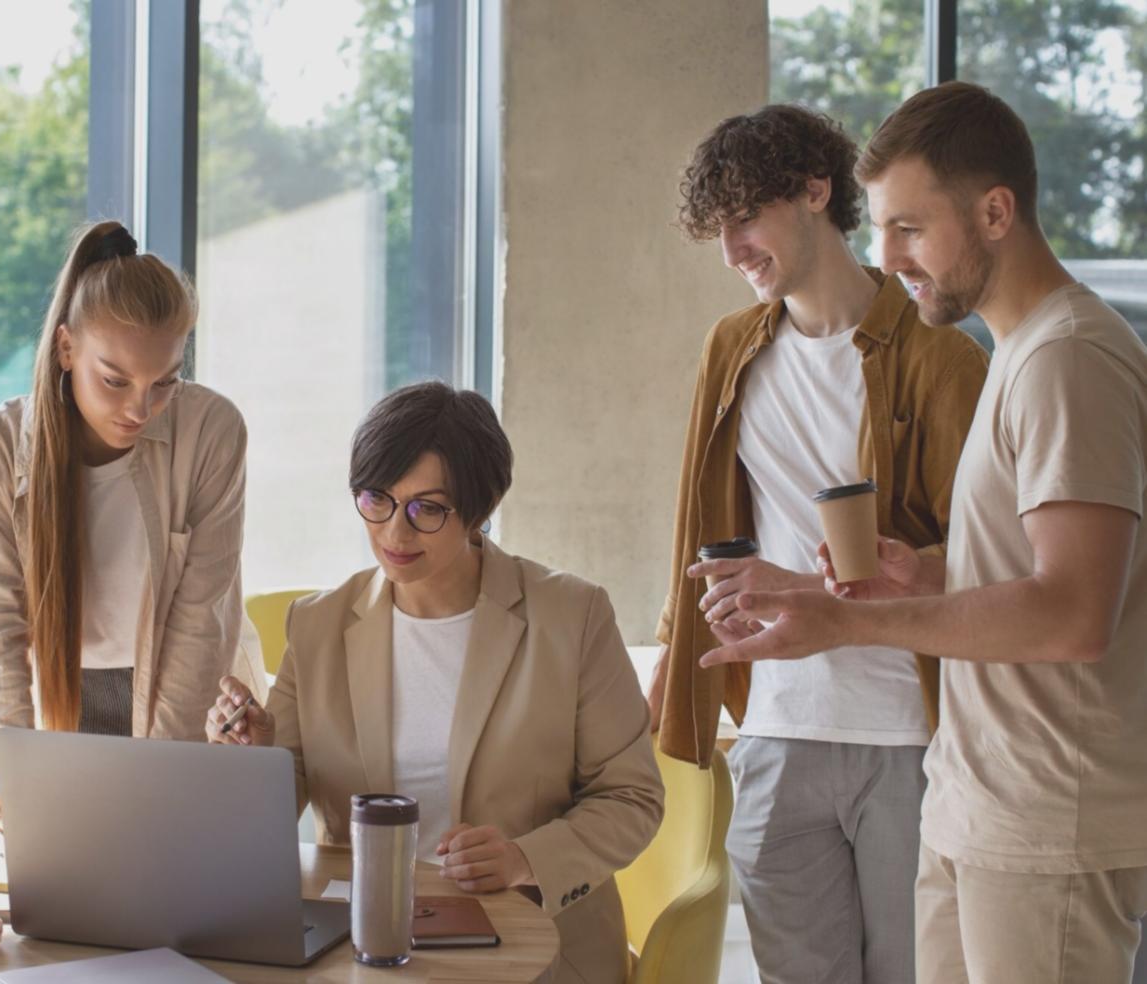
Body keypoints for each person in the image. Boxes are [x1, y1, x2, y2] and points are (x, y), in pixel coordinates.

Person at [701, 82, 1147, 984]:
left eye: (909, 228)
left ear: (994, 211)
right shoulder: (1018, 352)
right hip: (977, 802)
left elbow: (1073, 613)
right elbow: (1018, 569)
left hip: (1044, 820)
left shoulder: (1066, 360)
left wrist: (849, 625)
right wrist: (921, 571)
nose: (890, 256)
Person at [651, 104, 987, 984]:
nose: (732, 253)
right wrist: (668, 661)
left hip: (909, 735)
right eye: (715, 232)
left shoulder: (941, 355)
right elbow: (696, 525)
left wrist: (815, 581)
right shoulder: (731, 349)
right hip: (774, 728)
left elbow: (994, 560)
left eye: (743, 220)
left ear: (813, 190)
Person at [207, 381, 664, 984]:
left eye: (427, 508)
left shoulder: (571, 615)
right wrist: (253, 754)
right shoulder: (318, 623)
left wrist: (526, 857)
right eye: (377, 500)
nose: (395, 533)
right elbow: (283, 794)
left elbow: (632, 798)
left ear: (478, 510)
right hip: (360, 946)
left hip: (529, 945)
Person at [0, 220, 263, 827]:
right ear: (67, 348)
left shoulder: (211, 432)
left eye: (165, 382)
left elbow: (202, 621)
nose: (139, 409)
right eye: (114, 380)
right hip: (53, 701)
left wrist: (160, 781)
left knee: (174, 878)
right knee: (53, 896)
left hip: (187, 699)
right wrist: (15, 779)